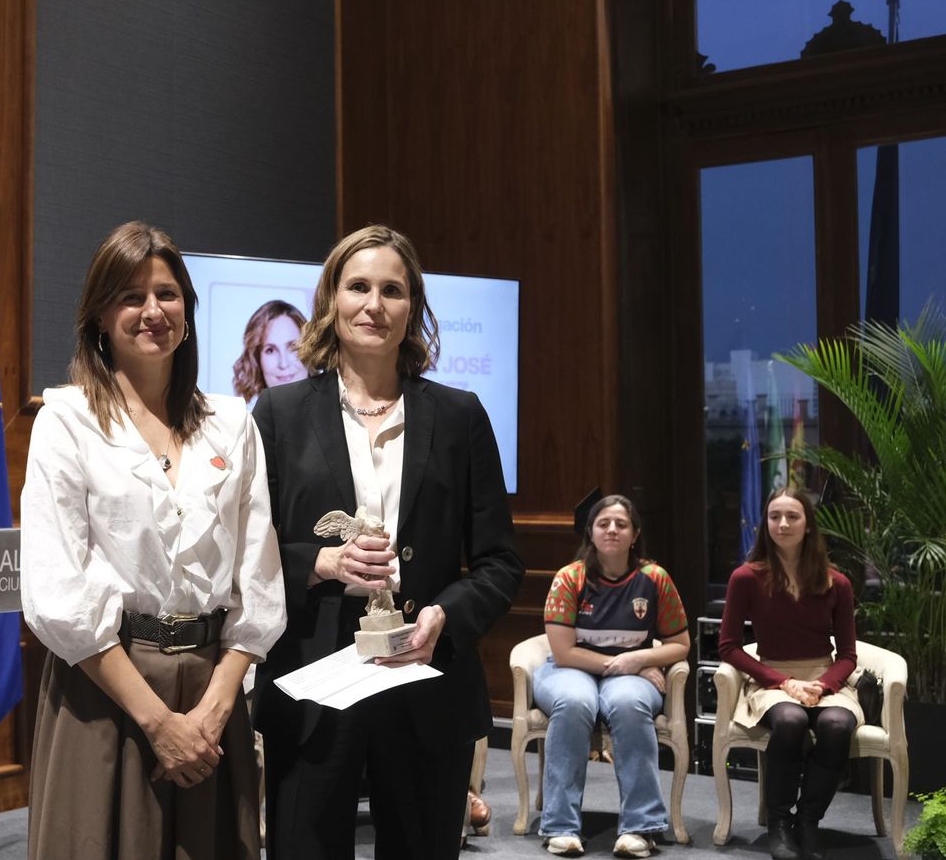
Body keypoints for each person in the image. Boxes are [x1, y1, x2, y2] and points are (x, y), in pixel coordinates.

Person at [252, 224, 523, 859]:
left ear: (413, 310)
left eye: (393, 290)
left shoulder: (460, 416)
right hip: (312, 686)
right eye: (359, 287)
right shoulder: (278, 415)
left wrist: (443, 616)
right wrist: (318, 561)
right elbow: (247, 552)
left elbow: (500, 561)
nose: (374, 304)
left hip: (427, 682)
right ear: (331, 302)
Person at [21, 221, 286, 859]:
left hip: (212, 692)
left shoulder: (231, 424)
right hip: (106, 691)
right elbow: (57, 590)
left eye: (167, 294)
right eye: (131, 296)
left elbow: (259, 576)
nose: (151, 311)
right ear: (99, 317)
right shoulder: (65, 420)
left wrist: (212, 713)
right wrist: (158, 722)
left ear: (187, 313)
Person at [535, 494, 690, 858]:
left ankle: (640, 826)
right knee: (575, 702)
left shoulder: (655, 578)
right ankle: (560, 826)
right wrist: (624, 663)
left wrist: (639, 658)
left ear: (635, 534)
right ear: (590, 531)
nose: (612, 530)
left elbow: (680, 644)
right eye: (603, 523)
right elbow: (564, 652)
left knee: (628, 702)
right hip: (569, 670)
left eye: (621, 524)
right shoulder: (568, 578)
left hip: (629, 674)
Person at [719, 486, 860, 860]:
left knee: (835, 726)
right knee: (790, 719)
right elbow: (728, 646)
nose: (782, 524)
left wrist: (822, 685)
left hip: (824, 678)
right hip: (772, 678)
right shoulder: (746, 578)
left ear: (808, 525)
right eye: (774, 516)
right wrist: (784, 683)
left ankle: (808, 821)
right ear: (765, 524)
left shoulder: (837, 583)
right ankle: (779, 824)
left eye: (792, 516)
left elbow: (847, 655)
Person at [232, 299, 307, 404]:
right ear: (257, 361)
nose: (283, 364)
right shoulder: (245, 418)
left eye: (293, 347)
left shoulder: (335, 411)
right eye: (270, 350)